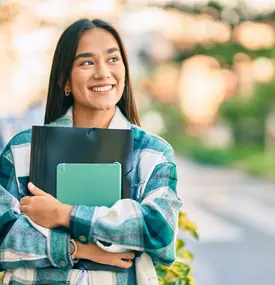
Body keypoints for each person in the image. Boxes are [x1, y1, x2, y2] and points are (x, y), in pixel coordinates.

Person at [0, 19, 182, 285]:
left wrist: (64, 214)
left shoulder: (152, 153)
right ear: (65, 80)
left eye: (112, 59)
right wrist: (77, 248)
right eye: (86, 62)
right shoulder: (23, 149)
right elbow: (4, 236)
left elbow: (159, 232)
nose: (102, 72)